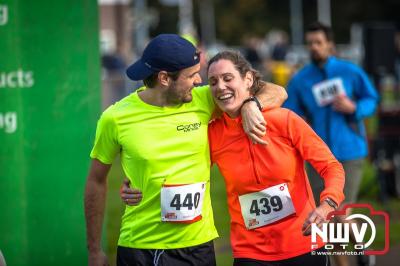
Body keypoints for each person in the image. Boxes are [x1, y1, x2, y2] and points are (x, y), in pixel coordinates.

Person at [122, 50, 345, 265]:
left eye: (228, 78)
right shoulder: (213, 134)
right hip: (250, 251)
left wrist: (327, 204)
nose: (220, 87)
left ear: (248, 79)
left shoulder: (285, 120)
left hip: (303, 243)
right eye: (213, 81)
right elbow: (181, 170)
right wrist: (138, 183)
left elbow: (331, 167)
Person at [84, 34, 287, 266]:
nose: (198, 80)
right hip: (139, 248)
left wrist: (252, 104)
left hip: (197, 248)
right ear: (164, 78)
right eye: (191, 75)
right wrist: (93, 250)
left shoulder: (203, 100)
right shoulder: (115, 118)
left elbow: (277, 91)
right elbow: (96, 181)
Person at [283, 22, 379, 266]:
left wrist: (355, 108)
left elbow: (372, 99)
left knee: (340, 208)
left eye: (318, 42)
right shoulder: (300, 79)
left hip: (350, 151)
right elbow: (288, 113)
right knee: (326, 215)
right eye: (310, 43)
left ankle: (360, 249)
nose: (314, 47)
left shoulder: (350, 71)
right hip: (317, 157)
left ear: (330, 45)